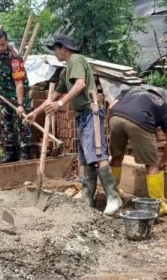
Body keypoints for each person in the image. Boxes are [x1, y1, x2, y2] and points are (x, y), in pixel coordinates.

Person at [25, 34, 122, 216]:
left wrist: (60, 105)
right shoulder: (65, 70)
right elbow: (53, 98)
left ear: (63, 48)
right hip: (81, 116)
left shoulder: (76, 59)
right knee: (86, 158)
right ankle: (87, 198)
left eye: (55, 48)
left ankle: (113, 196)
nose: (54, 52)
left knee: (98, 153)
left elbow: (80, 84)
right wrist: (34, 113)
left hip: (90, 112)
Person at [108, 86, 167, 215]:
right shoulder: (163, 106)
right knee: (152, 164)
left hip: (115, 116)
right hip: (139, 121)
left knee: (117, 157)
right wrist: (164, 161)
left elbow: (110, 106)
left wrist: (111, 127)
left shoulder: (132, 90)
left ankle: (113, 194)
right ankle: (160, 206)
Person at [0, 29, 32, 164]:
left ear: (7, 41)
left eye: (3, 44)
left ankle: (25, 154)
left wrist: (20, 105)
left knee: (23, 123)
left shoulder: (14, 57)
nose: (0, 48)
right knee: (6, 124)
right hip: (3, 94)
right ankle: (10, 153)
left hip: (19, 94)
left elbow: (19, 84)